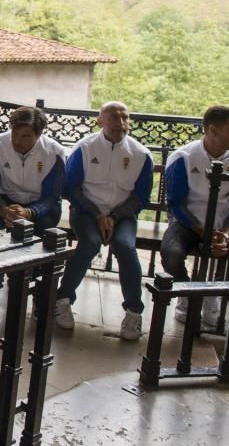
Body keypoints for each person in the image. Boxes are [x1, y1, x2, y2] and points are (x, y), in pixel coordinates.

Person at [162, 106, 229, 329]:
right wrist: (202, 231)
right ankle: (188, 293)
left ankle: (214, 291)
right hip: (187, 223)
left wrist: (227, 233)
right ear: (212, 130)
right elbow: (175, 203)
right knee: (172, 255)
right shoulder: (183, 157)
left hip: (226, 224)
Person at [55, 101, 154, 341]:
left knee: (125, 247)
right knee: (89, 243)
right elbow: (70, 188)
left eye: (125, 118)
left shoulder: (141, 154)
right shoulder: (85, 148)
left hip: (123, 215)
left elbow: (141, 197)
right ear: (100, 120)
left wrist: (114, 216)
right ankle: (63, 299)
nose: (120, 123)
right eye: (113, 117)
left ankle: (133, 312)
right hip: (87, 211)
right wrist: (98, 213)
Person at [0, 106, 66, 311]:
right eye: (15, 133)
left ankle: (38, 292)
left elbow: (52, 196)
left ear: (38, 135)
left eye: (25, 136)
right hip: (6, 201)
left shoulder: (54, 152)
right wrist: (3, 210)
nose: (17, 141)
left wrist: (30, 213)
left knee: (44, 233)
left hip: (40, 205)